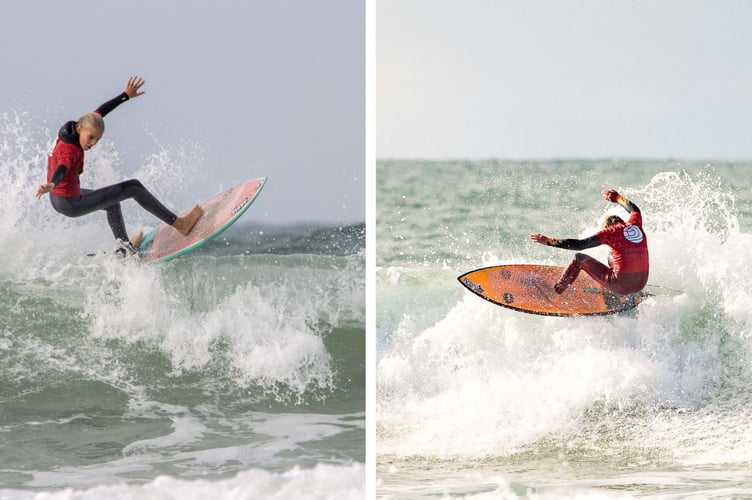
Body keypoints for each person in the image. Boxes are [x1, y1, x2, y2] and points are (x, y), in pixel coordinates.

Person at [36, 76, 203, 254]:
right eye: (91, 137)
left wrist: (125, 95)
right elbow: (63, 167)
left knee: (112, 203)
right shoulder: (71, 150)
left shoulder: (77, 128)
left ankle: (125, 249)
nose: (93, 143)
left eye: (97, 139)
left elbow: (100, 112)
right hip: (69, 202)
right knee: (134, 187)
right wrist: (52, 183)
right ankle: (180, 224)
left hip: (59, 197)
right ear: (79, 129)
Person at [530, 189, 649, 295]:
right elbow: (634, 209)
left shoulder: (610, 232)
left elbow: (579, 245)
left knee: (579, 258)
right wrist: (617, 197)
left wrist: (548, 241)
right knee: (611, 256)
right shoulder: (635, 224)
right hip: (640, 284)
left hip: (620, 286)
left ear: (606, 227)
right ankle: (626, 295)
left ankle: (557, 290)